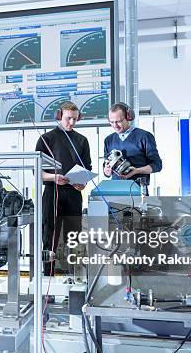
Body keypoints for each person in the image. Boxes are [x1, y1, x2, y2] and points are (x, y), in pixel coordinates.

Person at [35, 101, 92, 276]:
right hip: (53, 192)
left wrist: (83, 182)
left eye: (75, 119)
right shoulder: (46, 139)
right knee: (49, 236)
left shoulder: (82, 140)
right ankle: (47, 279)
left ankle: (73, 279)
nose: (72, 123)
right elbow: (37, 172)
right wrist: (54, 177)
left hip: (74, 193)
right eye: (68, 119)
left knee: (73, 237)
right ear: (60, 116)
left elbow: (87, 168)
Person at [103, 102, 162, 194]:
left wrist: (137, 171)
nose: (115, 125)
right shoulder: (109, 140)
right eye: (111, 122)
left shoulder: (144, 136)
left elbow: (157, 165)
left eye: (118, 121)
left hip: (138, 189)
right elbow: (107, 173)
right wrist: (107, 170)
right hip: (115, 190)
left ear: (128, 117)